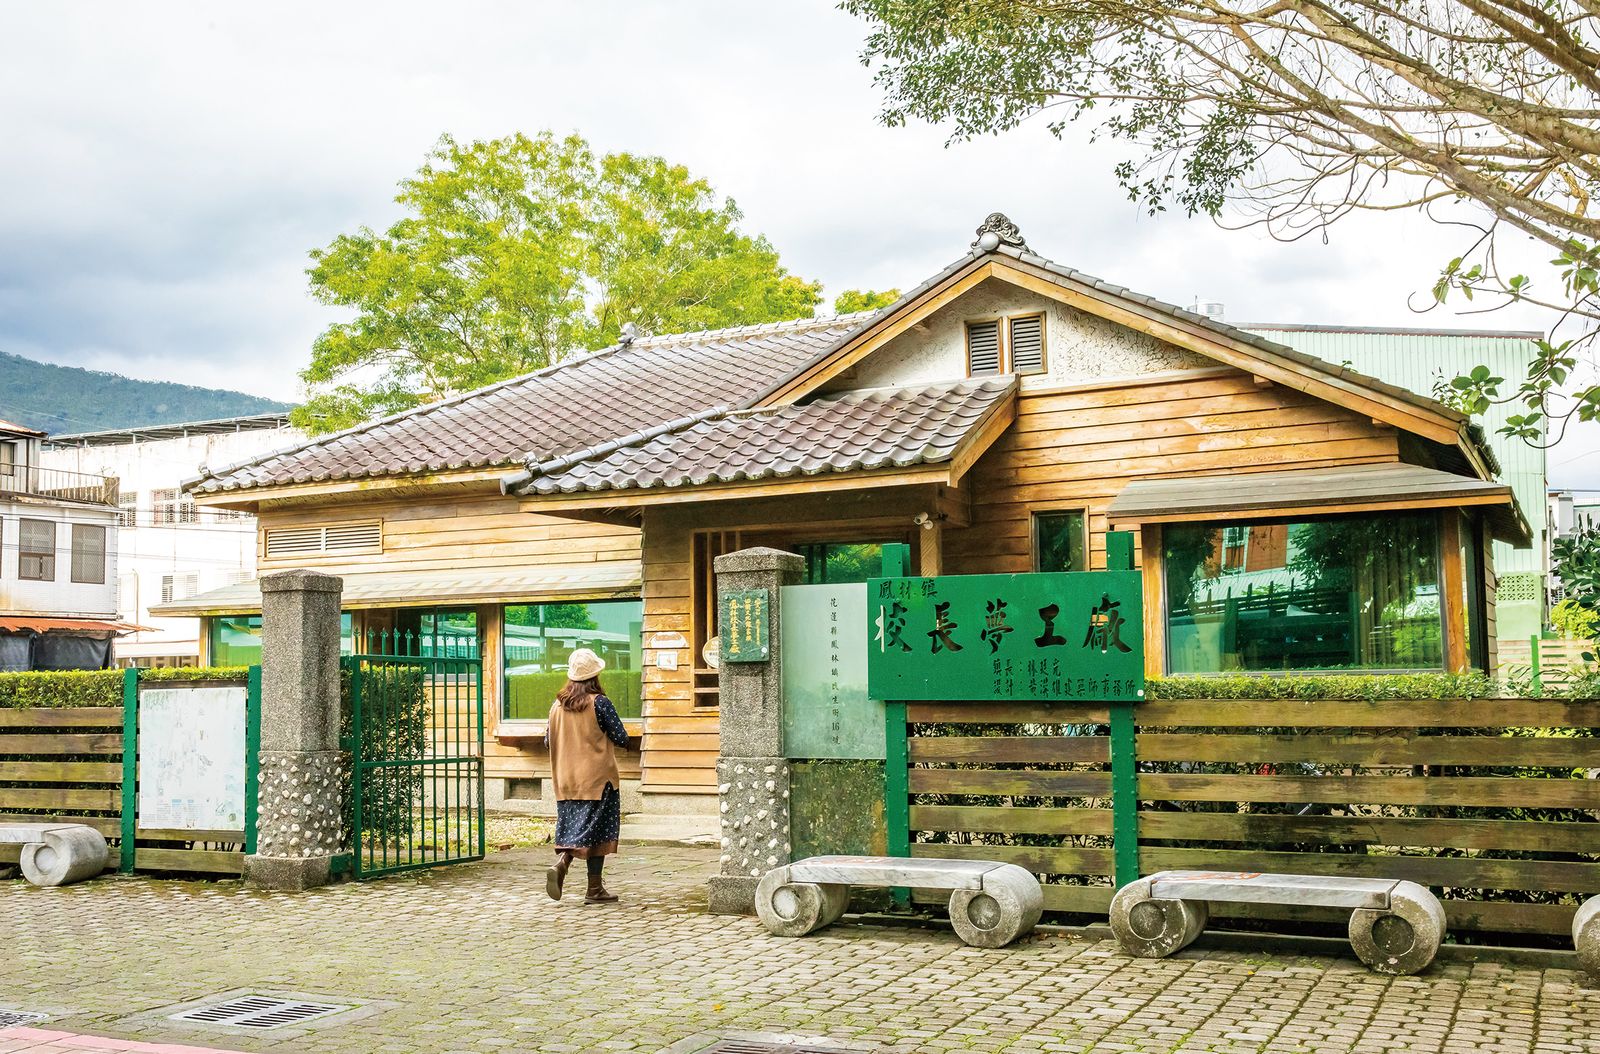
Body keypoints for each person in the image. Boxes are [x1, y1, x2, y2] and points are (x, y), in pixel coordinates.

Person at [544, 647, 629, 903]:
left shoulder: (556, 706)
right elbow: (621, 737)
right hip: (598, 780)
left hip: (566, 781)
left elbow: (548, 741)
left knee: (576, 828)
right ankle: (590, 885)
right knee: (598, 832)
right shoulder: (599, 703)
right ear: (595, 676)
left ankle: (569, 866)